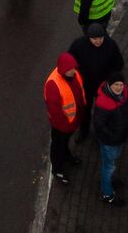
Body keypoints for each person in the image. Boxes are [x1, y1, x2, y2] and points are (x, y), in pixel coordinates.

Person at [67, 23, 123, 139]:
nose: (98, 41)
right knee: (84, 111)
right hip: (85, 86)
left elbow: (119, 64)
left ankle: (100, 134)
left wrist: (110, 78)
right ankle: (84, 131)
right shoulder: (79, 44)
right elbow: (70, 61)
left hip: (102, 88)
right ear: (88, 37)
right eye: (94, 39)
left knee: (101, 113)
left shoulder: (111, 45)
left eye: (100, 38)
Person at [44, 53, 85, 184]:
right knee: (57, 147)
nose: (73, 71)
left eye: (73, 68)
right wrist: (64, 126)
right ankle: (58, 170)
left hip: (72, 122)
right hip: (61, 126)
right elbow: (55, 111)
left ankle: (66, 156)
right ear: (62, 69)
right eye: (70, 69)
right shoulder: (53, 84)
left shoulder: (74, 74)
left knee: (64, 144)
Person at [92, 76, 128, 206]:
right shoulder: (103, 102)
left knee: (111, 164)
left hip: (119, 139)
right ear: (109, 85)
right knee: (108, 167)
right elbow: (99, 125)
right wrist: (112, 137)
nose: (119, 87)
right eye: (116, 85)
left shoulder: (125, 94)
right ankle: (107, 194)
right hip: (110, 142)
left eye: (121, 84)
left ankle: (109, 182)